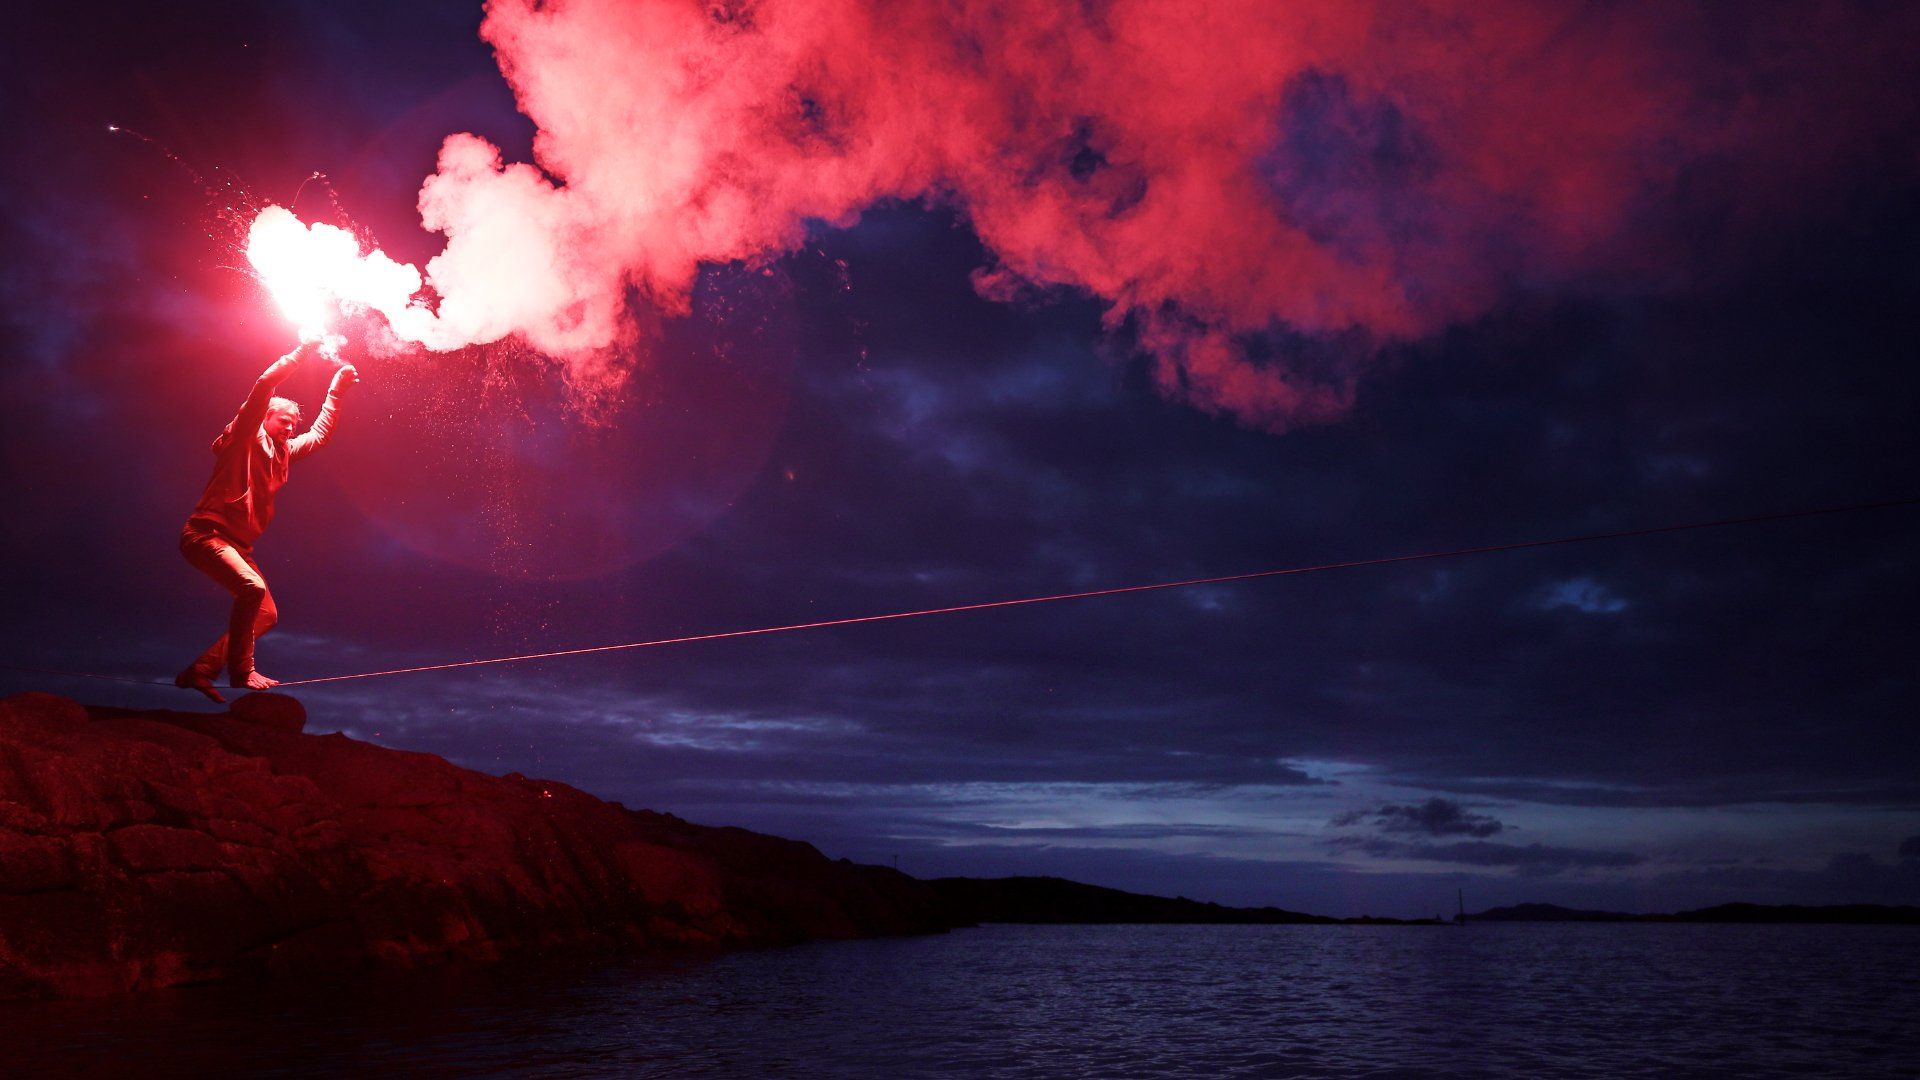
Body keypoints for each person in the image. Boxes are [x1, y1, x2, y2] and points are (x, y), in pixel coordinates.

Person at [175, 340, 359, 701]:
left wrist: (336, 392)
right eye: (283, 421)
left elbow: (320, 434)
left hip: (238, 546)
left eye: (293, 424)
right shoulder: (246, 436)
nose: (290, 428)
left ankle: (200, 671)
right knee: (252, 588)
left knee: (266, 613)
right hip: (205, 535)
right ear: (264, 418)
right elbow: (263, 386)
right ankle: (242, 672)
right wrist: (302, 352)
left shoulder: (284, 452)